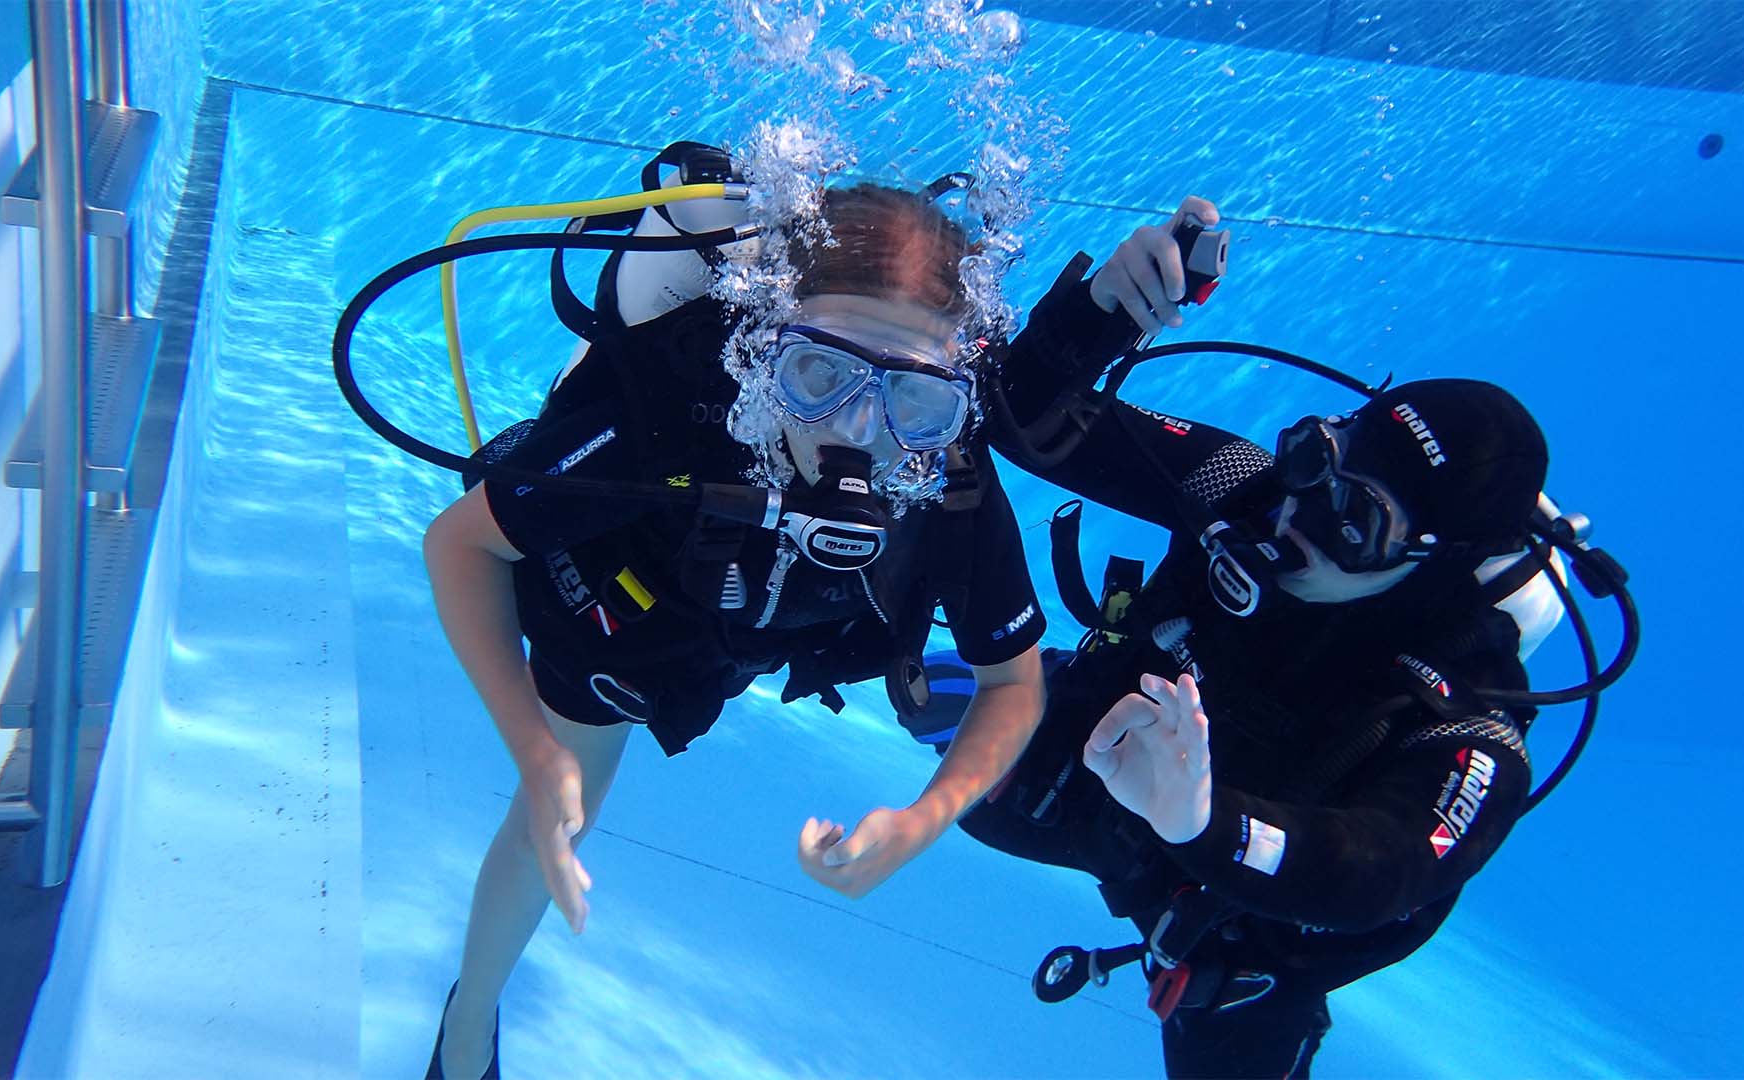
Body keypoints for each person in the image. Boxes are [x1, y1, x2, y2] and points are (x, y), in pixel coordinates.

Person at [418, 172, 1048, 1079]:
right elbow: (460, 547)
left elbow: (1015, 680)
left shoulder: (943, 474)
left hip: (765, 632)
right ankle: (467, 1027)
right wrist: (532, 744)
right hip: (623, 609)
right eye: (820, 375)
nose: (859, 433)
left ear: (949, 394)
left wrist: (926, 817)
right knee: (557, 814)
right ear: (764, 350)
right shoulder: (671, 416)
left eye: (912, 401)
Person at [938, 197, 1561, 1078]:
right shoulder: (1251, 486)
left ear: (1433, 560)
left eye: (1358, 520)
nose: (1298, 514)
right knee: (972, 750)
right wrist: (1098, 316)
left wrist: (1202, 822)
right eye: (1318, 459)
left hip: (1242, 909)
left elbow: (1379, 873)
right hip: (1111, 774)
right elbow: (1021, 419)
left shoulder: (1472, 698)